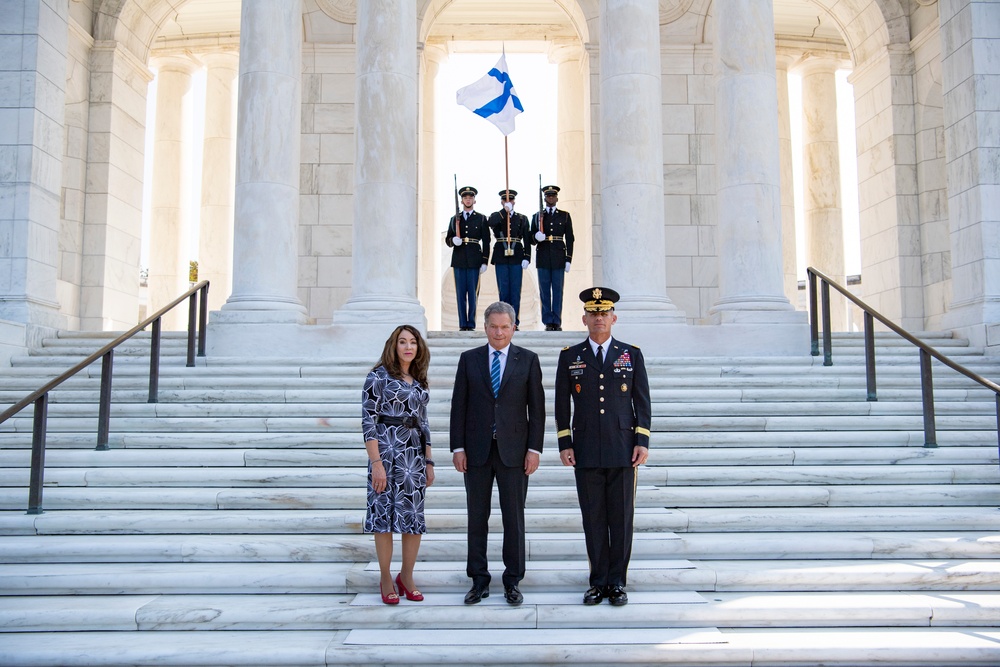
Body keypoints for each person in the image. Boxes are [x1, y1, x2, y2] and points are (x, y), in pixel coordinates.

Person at [554, 288, 651, 607]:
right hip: (585, 449)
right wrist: (564, 442)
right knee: (593, 517)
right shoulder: (570, 356)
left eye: (604, 313)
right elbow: (560, 404)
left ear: (614, 318)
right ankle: (597, 581)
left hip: (623, 448)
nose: (598, 318)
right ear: (584, 319)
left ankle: (617, 582)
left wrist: (642, 441)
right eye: (593, 314)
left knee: (621, 518)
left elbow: (642, 402)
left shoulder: (630, 353)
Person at [450, 301, 545, 606]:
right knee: (477, 517)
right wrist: (458, 447)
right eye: (494, 326)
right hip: (476, 452)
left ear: (514, 327)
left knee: (513, 519)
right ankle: (478, 580)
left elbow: (538, 411)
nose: (499, 332)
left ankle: (512, 580)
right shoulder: (469, 359)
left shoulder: (528, 360)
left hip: (514, 453)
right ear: (485, 326)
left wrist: (534, 449)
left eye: (505, 326)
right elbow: (458, 407)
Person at [359, 325, 435, 604]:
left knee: (412, 519)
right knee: (384, 519)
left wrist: (429, 461)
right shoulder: (377, 377)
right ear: (393, 345)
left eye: (413, 342)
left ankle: (407, 575)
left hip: (413, 458)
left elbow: (424, 424)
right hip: (386, 456)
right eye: (402, 342)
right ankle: (385, 578)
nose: (408, 346)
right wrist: (375, 462)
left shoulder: (419, 380)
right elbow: (369, 422)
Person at [529, 185, 574, 331]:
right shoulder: (537, 216)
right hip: (543, 257)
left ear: (557, 198)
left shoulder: (564, 215)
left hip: (559, 257)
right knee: (544, 292)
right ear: (544, 198)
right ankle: (548, 321)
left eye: (553, 196)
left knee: (557, 290)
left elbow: (570, 238)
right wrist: (536, 237)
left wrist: (568, 259)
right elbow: (531, 238)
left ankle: (557, 321)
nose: (550, 198)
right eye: (548, 196)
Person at [445, 186, 490, 331]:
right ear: (462, 200)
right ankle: (462, 324)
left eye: (470, 197)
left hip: (474, 259)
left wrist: (484, 261)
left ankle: (470, 323)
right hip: (458, 259)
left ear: (474, 200)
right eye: (465, 197)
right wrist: (453, 241)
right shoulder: (454, 219)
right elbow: (448, 239)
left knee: (472, 294)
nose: (468, 199)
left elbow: (486, 241)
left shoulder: (481, 218)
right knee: (460, 294)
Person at [487, 190, 531, 329]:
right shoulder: (497, 216)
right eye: (505, 201)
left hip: (517, 255)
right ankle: (504, 321)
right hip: (501, 255)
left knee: (515, 291)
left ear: (514, 202)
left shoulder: (522, 218)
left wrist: (527, 257)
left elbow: (527, 239)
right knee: (504, 290)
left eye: (510, 201)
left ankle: (514, 322)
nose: (508, 202)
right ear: (502, 202)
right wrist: (504, 211)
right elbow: (491, 222)